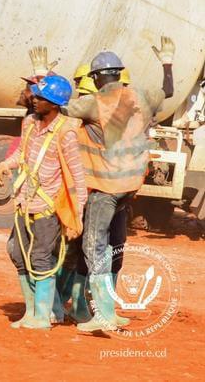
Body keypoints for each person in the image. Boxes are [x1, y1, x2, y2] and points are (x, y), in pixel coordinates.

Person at [62, 40, 174, 332]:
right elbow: (169, 91)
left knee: (93, 246)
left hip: (105, 187)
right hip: (129, 187)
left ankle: (104, 313)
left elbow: (60, 106)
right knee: (114, 245)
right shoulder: (142, 95)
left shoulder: (93, 102)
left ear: (97, 78)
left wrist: (42, 77)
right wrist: (167, 62)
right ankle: (101, 307)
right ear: (120, 74)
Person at [0, 73, 86, 330]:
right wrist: (5, 164)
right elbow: (23, 155)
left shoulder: (66, 132)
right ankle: (33, 311)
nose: (34, 99)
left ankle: (44, 315)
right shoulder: (29, 123)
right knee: (17, 253)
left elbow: (77, 175)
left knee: (41, 258)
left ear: (54, 104)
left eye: (41, 97)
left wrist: (77, 214)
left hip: (47, 205)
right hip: (25, 201)